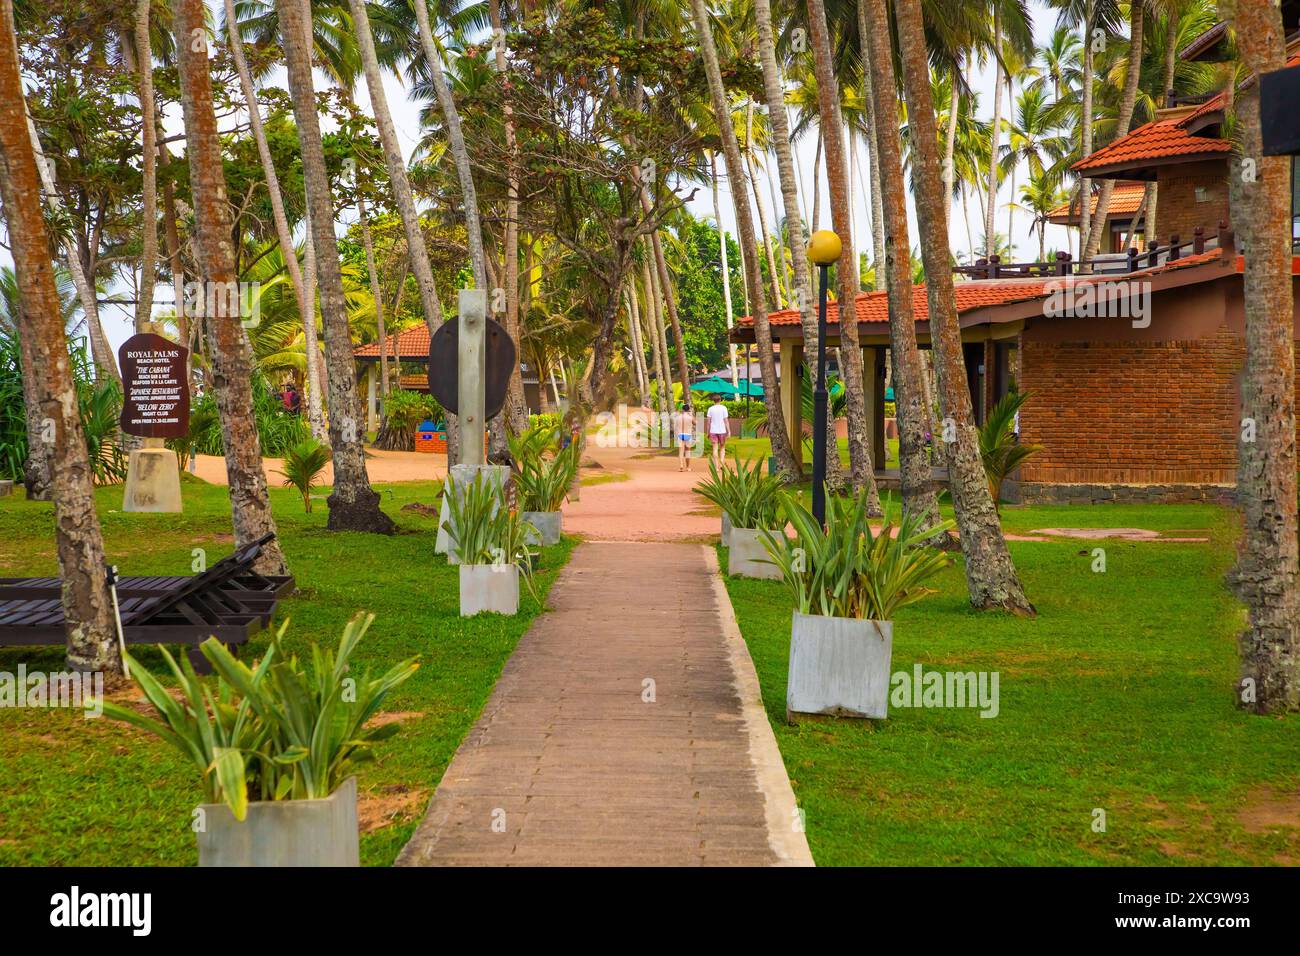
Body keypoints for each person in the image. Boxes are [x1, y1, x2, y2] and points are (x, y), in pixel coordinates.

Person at [706, 394, 729, 467]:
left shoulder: (710, 409)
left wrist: (708, 432)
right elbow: (726, 420)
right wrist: (729, 431)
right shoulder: (724, 408)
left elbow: (708, 422)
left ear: (713, 401)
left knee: (715, 449)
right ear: (720, 400)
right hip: (722, 431)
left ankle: (716, 467)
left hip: (713, 431)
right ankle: (722, 464)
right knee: (722, 448)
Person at [673, 401, 694, 471]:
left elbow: (675, 427)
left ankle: (681, 465)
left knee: (681, 451)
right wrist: (691, 415)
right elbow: (696, 423)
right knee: (688, 451)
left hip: (680, 435)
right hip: (688, 434)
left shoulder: (677, 417)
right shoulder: (690, 417)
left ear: (682, 409)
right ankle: (688, 467)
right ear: (688, 409)